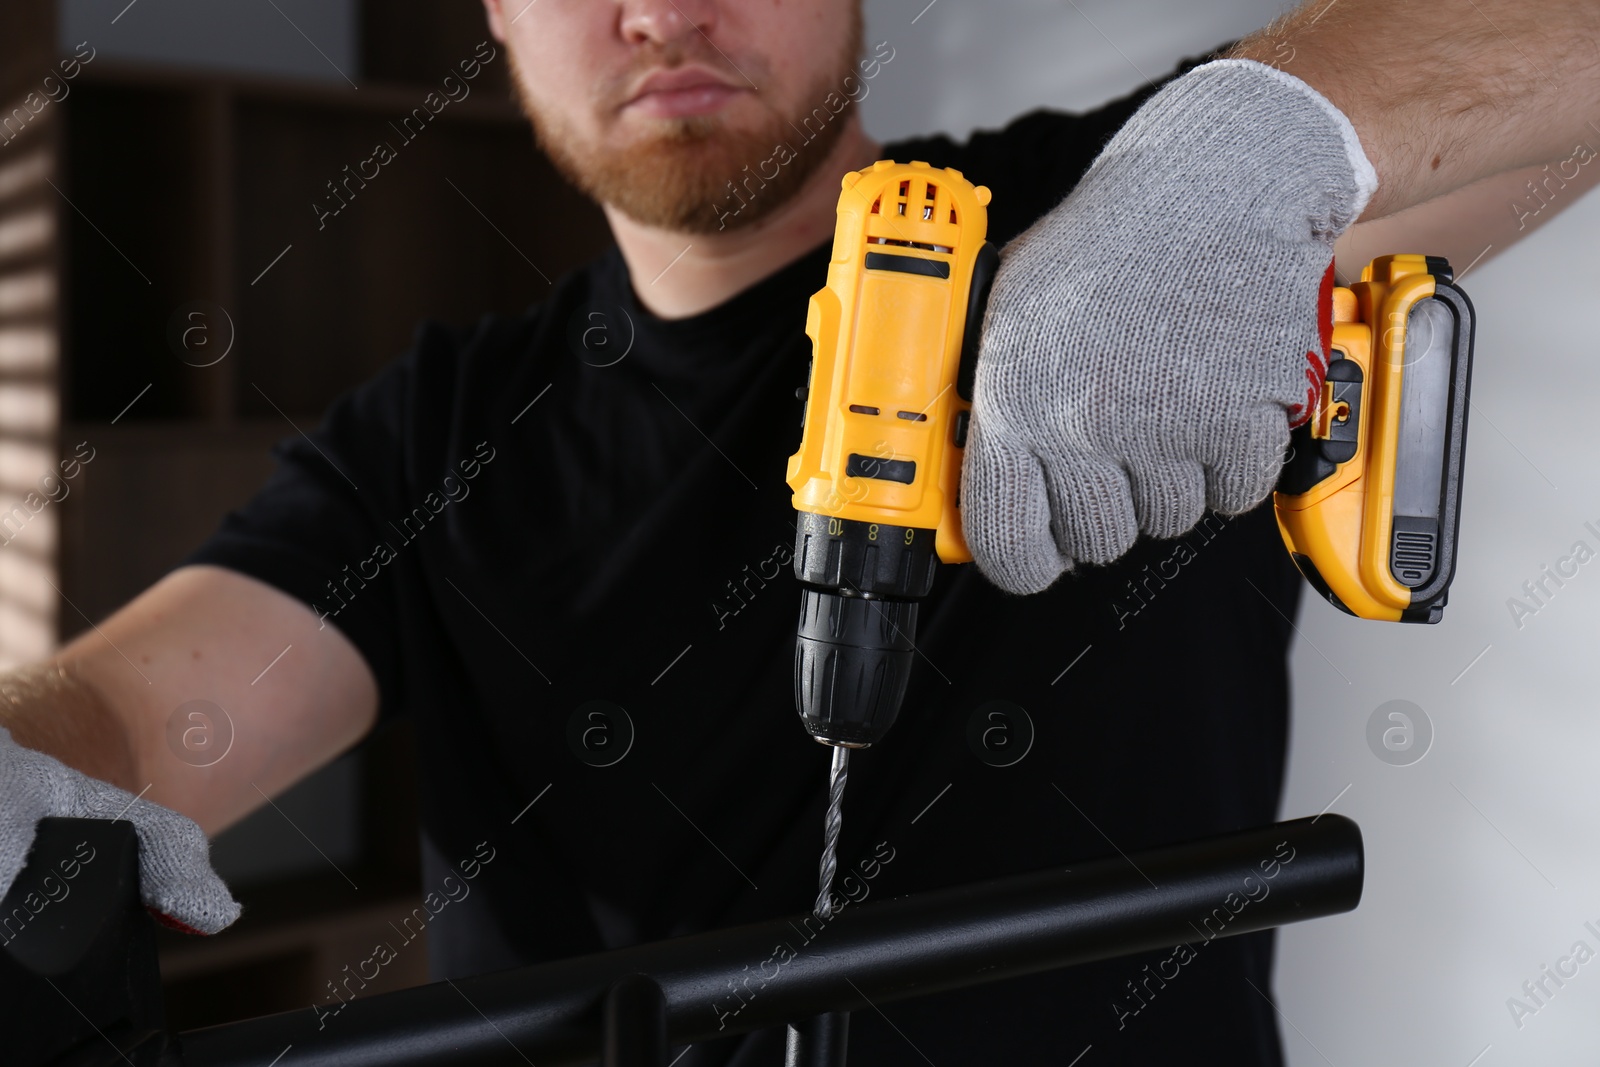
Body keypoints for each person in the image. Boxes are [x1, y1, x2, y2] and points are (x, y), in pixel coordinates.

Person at [1, 0, 1596, 1061]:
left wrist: (1279, 138)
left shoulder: (1141, 226)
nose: (662, 8)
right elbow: (126, 716)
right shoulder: (437, 436)